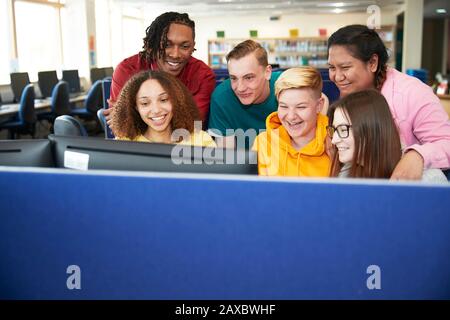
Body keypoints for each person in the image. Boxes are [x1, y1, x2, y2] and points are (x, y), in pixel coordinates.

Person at [327, 24, 450, 181]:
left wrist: (418, 155)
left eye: (345, 67)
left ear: (372, 63)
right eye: (331, 68)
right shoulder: (350, 89)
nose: (337, 77)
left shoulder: (412, 93)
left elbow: (446, 141)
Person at [105, 12, 215, 130]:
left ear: (193, 46)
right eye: (167, 45)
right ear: (151, 44)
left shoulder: (203, 74)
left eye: (185, 46)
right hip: (137, 147)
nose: (175, 54)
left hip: (184, 145)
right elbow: (121, 124)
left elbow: (194, 125)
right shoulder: (127, 70)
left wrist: (140, 118)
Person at [327, 89, 447, 182]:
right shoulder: (348, 173)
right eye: (334, 130)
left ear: (371, 130)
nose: (334, 141)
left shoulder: (429, 180)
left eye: (343, 130)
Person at [252, 67, 330, 176]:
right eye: (284, 106)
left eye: (301, 107)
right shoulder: (264, 142)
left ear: (319, 106)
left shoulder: (337, 144)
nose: (291, 116)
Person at [208, 40, 282, 149]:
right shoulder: (221, 98)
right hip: (245, 164)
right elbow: (227, 157)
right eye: (233, 78)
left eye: (249, 77)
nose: (240, 88)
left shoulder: (289, 88)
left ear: (267, 72)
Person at [112, 70, 216, 147]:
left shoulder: (200, 140)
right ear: (135, 107)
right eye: (145, 103)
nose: (156, 110)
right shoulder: (123, 144)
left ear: (176, 101)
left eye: (163, 100)